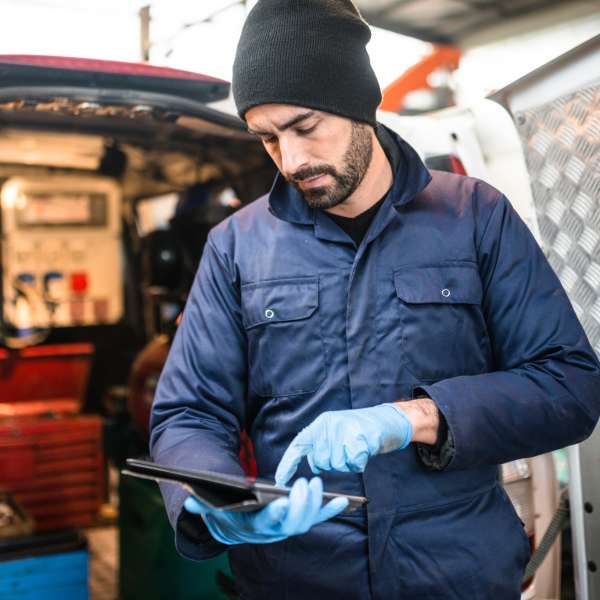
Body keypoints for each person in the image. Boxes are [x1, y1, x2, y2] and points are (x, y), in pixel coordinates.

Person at [149, 1, 600, 598]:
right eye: (268, 139)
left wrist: (413, 418)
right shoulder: (236, 247)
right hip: (299, 578)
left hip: (454, 575)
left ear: (360, 103)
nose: (292, 160)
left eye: (306, 127)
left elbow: (568, 386)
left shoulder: (475, 217)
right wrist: (216, 498)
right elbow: (188, 413)